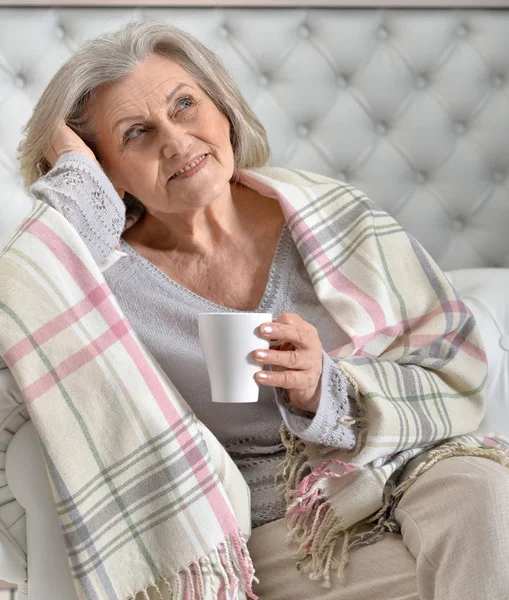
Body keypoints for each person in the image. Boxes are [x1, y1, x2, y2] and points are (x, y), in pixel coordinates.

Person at [17, 20, 509, 600]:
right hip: (280, 525)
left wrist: (325, 387)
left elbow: (452, 360)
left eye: (185, 105)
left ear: (222, 109)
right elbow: (20, 296)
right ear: (106, 171)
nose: (175, 141)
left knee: (485, 499)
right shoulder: (99, 284)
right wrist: (71, 179)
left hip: (406, 466)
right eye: (136, 134)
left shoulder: (332, 216)